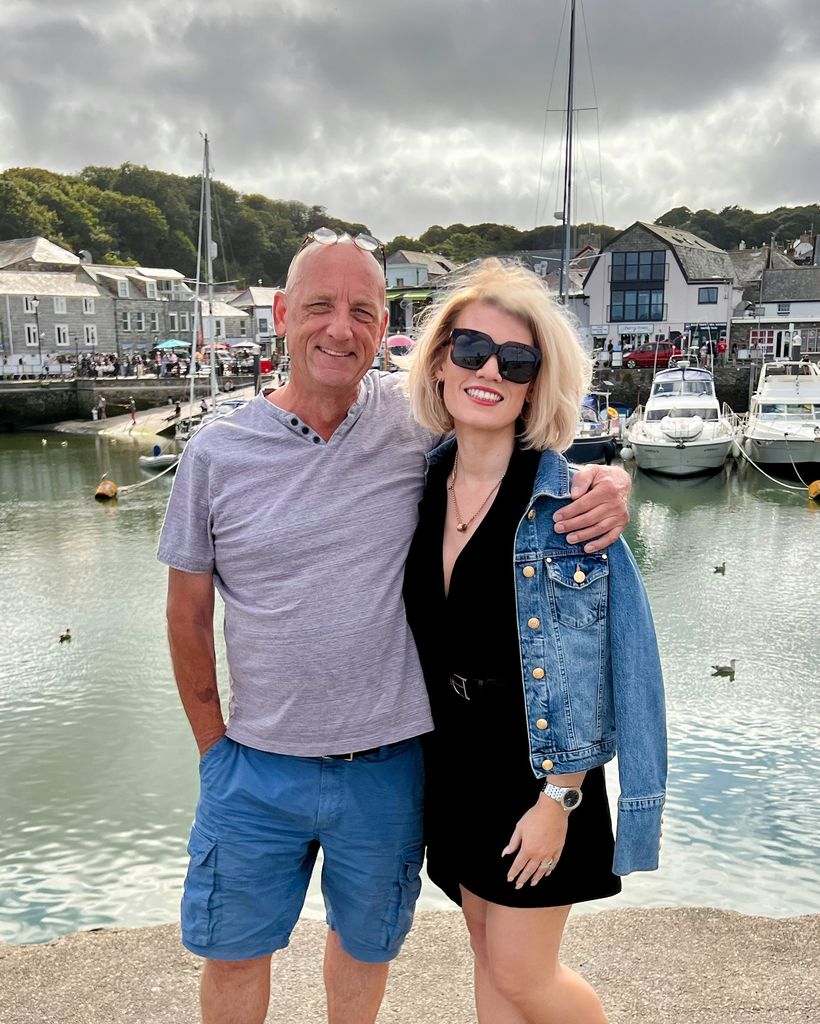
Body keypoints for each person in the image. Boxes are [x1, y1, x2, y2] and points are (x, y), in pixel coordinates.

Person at [157, 231, 633, 1024]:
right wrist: (214, 750)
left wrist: (607, 479)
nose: (339, 329)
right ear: (281, 315)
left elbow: (521, 449)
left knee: (366, 954)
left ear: (385, 328)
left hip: (387, 766)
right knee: (235, 958)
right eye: (318, 307)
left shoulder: (413, 425)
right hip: (256, 768)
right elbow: (186, 616)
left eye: (362, 311)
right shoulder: (216, 451)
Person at [403, 259, 666, 1024]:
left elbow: (609, 665)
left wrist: (562, 797)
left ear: (533, 385)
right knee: (487, 952)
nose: (489, 370)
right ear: (441, 360)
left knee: (524, 972)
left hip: (541, 772)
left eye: (515, 361)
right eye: (471, 349)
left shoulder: (568, 509)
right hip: (453, 763)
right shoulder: (419, 482)